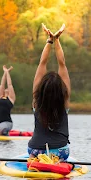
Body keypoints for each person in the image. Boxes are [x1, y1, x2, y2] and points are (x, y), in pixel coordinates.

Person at [28, 23, 70, 161]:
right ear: (60, 88)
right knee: (59, 153)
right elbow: (62, 64)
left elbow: (42, 64)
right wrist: (57, 40)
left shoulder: (36, 99)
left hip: (35, 149)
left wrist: (49, 40)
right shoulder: (65, 99)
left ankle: (34, 158)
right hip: (60, 151)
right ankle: (55, 160)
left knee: (34, 153)